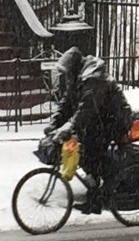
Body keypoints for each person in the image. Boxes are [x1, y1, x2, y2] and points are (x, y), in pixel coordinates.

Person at [44, 51, 133, 213]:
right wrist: (54, 124)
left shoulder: (94, 79)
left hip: (114, 121)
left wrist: (69, 127)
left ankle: (107, 188)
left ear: (74, 68)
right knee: (85, 154)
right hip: (99, 122)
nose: (65, 76)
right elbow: (66, 104)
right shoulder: (78, 80)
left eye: (67, 72)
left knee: (92, 152)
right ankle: (95, 196)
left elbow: (86, 109)